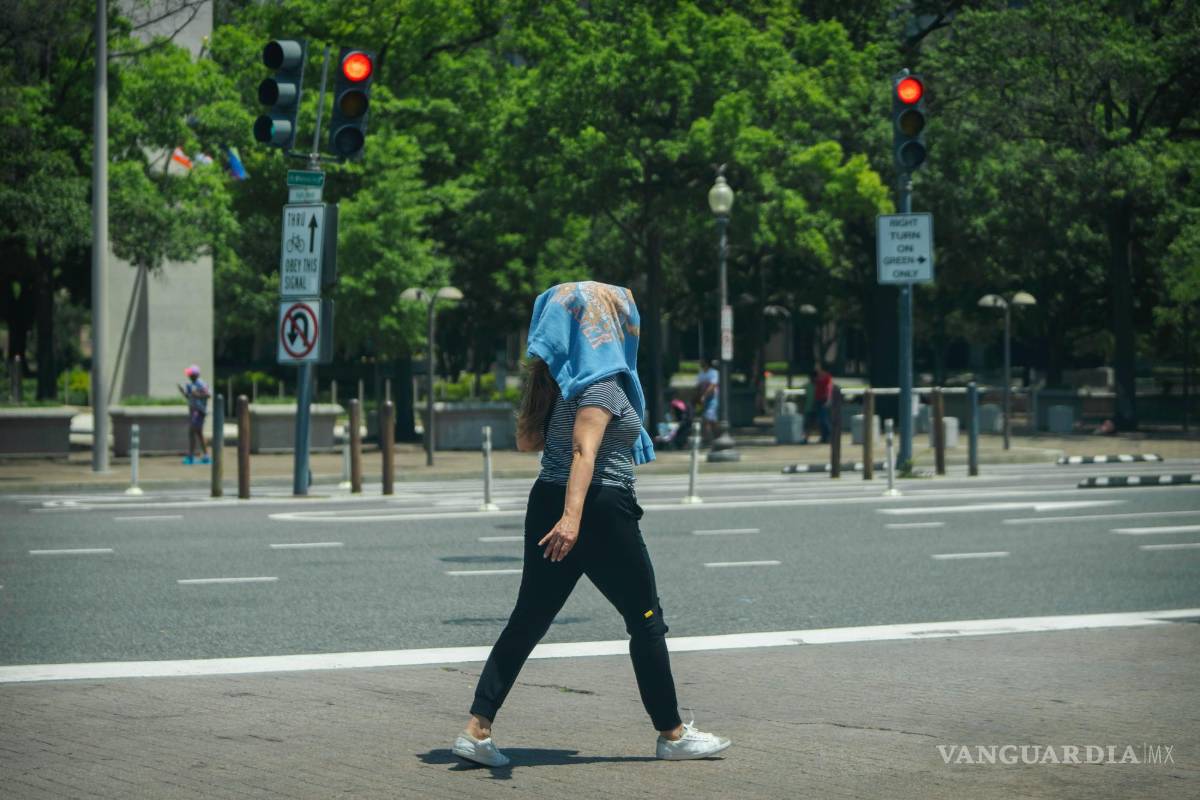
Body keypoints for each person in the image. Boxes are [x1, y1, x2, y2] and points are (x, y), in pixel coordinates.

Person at [453, 282, 731, 768]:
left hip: (549, 501)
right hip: (597, 509)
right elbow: (586, 450)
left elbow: (526, 442)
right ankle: (672, 733)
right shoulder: (602, 382)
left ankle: (477, 730)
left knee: (529, 618)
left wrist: (562, 510)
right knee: (646, 619)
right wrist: (572, 519)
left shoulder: (556, 380)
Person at [178, 365, 210, 465]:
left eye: (190, 374)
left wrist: (197, 395)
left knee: (192, 432)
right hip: (193, 410)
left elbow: (208, 395)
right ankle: (204, 456)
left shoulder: (201, 383)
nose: (188, 375)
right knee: (197, 433)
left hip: (198, 411)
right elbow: (189, 397)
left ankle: (193, 456)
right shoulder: (190, 384)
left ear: (195, 375)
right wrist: (183, 392)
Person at [696, 359, 720, 443]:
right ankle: (713, 437)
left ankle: (710, 439)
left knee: (708, 419)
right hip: (704, 400)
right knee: (710, 420)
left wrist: (704, 396)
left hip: (712, 399)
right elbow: (698, 386)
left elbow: (713, 386)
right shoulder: (701, 373)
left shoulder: (713, 373)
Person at [812, 364, 834, 444]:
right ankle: (824, 437)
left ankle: (830, 436)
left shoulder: (828, 377)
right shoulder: (819, 377)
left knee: (824, 419)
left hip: (824, 400)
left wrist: (828, 400)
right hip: (818, 400)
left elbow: (829, 389)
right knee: (821, 420)